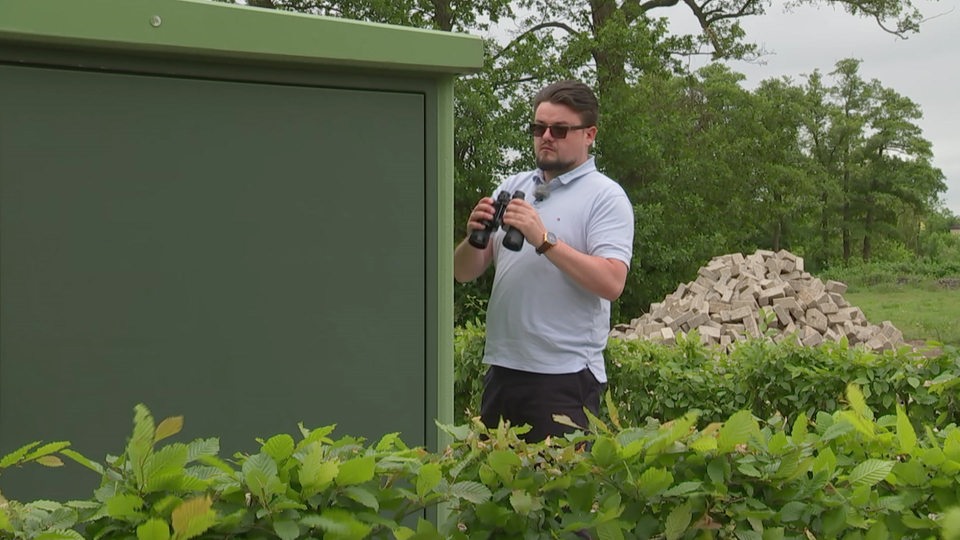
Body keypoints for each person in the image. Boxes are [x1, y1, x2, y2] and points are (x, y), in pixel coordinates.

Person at [453, 80, 634, 442]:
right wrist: (474, 237)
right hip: (503, 368)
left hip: (564, 377)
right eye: (539, 127)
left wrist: (545, 240)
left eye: (559, 129)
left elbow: (612, 283)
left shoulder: (606, 196)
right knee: (495, 492)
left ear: (590, 134)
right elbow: (462, 272)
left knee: (555, 495)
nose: (546, 136)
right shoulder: (512, 185)